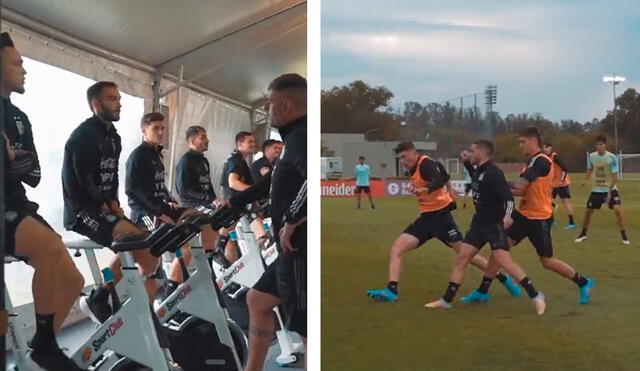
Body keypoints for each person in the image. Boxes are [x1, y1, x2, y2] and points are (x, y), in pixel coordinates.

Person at [1, 32, 86, 370]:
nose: (24, 70)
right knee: (49, 247)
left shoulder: (19, 116)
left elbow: (33, 171)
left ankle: (40, 345)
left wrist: (12, 163)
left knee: (74, 282)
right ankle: (47, 344)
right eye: (17, 63)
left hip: (18, 204)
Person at [365, 141, 521, 303]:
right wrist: (450, 188)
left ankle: (503, 279)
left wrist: (426, 189)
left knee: (465, 255)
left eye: (405, 157)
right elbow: (444, 176)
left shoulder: (426, 164)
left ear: (413, 153)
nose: (403, 161)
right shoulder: (417, 167)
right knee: (397, 248)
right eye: (400, 159)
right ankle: (391, 291)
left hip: (441, 217)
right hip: (426, 218)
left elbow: (438, 179)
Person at [225, 73, 307, 371]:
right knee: (258, 299)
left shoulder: (300, 137)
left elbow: (312, 180)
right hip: (291, 249)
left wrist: (293, 219)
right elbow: (271, 183)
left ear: (285, 105)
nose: (268, 111)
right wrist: (231, 203)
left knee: (306, 327)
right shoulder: (293, 139)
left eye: (270, 104)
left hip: (299, 248)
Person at [461, 127, 594, 304]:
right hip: (522, 215)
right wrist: (496, 187)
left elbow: (521, 184)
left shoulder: (541, 162)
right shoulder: (530, 162)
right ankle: (483, 291)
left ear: (533, 140)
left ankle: (583, 282)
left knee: (547, 261)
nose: (520, 146)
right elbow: (521, 190)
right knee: (498, 250)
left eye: (522, 142)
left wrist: (496, 182)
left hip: (539, 218)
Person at [62, 81, 158, 324]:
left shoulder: (113, 136)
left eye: (118, 98)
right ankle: (102, 297)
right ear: (96, 104)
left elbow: (112, 174)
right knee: (137, 242)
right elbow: (82, 181)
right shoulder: (82, 136)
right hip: (82, 211)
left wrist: (114, 201)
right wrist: (104, 203)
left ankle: (139, 315)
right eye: (112, 99)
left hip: (105, 208)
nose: (119, 103)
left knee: (150, 254)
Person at [425, 140, 546, 315]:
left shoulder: (494, 173)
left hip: (493, 226)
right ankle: (446, 300)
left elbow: (508, 199)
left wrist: (507, 216)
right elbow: (476, 178)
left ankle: (536, 296)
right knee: (461, 259)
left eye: (472, 151)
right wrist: (467, 163)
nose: (470, 153)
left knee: (506, 263)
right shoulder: (480, 170)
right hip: (478, 224)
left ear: (482, 152)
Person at [125, 112, 208, 297]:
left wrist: (169, 200)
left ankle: (173, 284)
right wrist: (157, 212)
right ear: (144, 131)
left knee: (196, 221)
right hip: (144, 213)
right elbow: (132, 190)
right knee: (149, 264)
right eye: (156, 128)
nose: (161, 132)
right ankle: (145, 304)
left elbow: (159, 185)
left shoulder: (156, 155)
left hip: (160, 208)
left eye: (163, 128)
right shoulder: (138, 156)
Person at [175, 125, 223, 257]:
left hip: (205, 204)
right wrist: (208, 200)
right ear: (192, 141)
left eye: (206, 136)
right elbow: (183, 190)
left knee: (223, 213)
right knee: (213, 219)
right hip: (191, 205)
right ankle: (212, 259)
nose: (207, 140)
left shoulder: (204, 161)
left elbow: (208, 184)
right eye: (203, 137)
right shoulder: (186, 161)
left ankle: (214, 255)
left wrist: (214, 199)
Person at [575, 135, 629, 244]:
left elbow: (615, 177)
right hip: (596, 190)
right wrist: (585, 179)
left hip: (610, 189)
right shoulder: (592, 156)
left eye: (601, 144)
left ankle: (624, 236)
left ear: (605, 145)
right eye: (597, 144)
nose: (599, 146)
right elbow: (589, 169)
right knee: (588, 212)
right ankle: (583, 234)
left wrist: (609, 193)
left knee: (618, 211)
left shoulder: (612, 157)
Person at [220, 131, 259, 262]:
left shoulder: (239, 159)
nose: (253, 144)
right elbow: (233, 182)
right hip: (235, 203)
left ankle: (230, 266)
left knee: (230, 238)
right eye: (250, 142)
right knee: (262, 235)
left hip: (236, 204)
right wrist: (254, 192)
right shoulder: (236, 159)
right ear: (240, 144)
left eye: (254, 141)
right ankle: (251, 262)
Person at [542, 143, 576, 229]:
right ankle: (552, 220)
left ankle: (571, 223)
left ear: (550, 148)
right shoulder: (546, 158)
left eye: (546, 147)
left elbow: (565, 168)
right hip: (554, 183)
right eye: (543, 148)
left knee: (565, 201)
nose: (545, 149)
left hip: (560, 183)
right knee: (547, 200)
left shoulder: (555, 156)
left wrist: (562, 180)